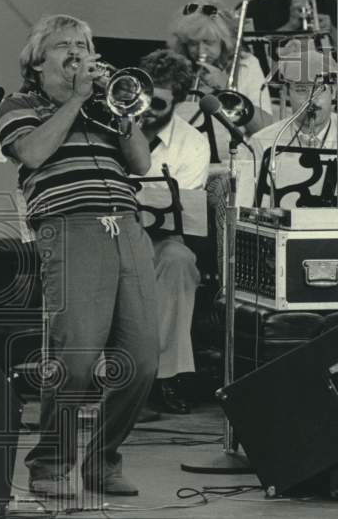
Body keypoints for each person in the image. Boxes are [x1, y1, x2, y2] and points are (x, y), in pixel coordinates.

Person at [0, 15, 158, 497]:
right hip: (71, 227)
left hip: (126, 225)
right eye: (66, 45)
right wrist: (79, 99)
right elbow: (33, 153)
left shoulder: (105, 107)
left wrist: (120, 113)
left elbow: (142, 163)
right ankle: (48, 466)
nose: (79, 53)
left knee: (143, 358)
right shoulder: (19, 103)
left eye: (85, 45)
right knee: (77, 358)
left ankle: (103, 462)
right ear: (37, 59)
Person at [241, 50, 338, 280]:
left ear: (335, 92)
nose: (311, 99)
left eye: (320, 90)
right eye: (301, 90)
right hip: (281, 246)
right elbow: (248, 211)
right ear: (288, 93)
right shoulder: (263, 142)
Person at [136, 49, 211, 415]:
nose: (146, 109)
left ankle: (161, 376)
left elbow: (183, 217)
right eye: (143, 97)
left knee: (179, 261)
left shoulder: (192, 142)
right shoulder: (112, 119)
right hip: (105, 234)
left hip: (159, 238)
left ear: (178, 103)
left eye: (159, 104)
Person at [168, 0, 273, 162]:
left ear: (224, 41)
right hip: (183, 158)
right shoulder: (175, 65)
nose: (200, 50)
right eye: (193, 43)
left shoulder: (247, 65)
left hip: (232, 160)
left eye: (208, 42)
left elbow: (265, 128)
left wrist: (228, 89)